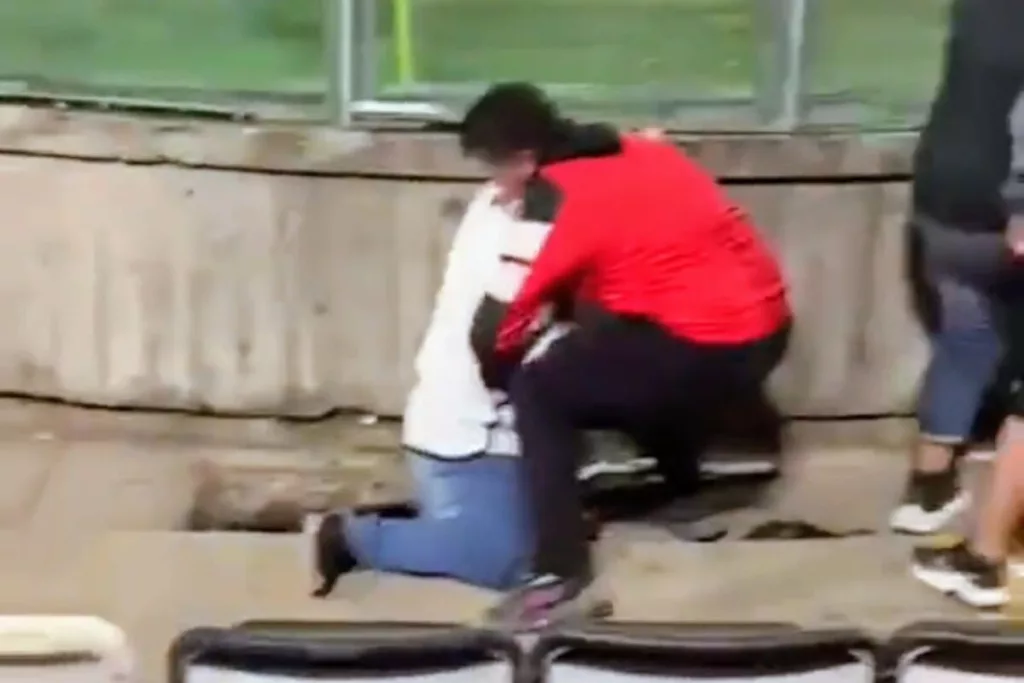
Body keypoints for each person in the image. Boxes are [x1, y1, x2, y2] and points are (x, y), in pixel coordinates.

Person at [460, 83, 791, 627]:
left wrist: (499, 383)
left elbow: (495, 325)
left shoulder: (552, 198)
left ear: (523, 158)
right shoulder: (644, 149)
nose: (496, 188)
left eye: (495, 172)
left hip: (705, 348)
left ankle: (560, 577)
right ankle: (685, 487)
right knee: (613, 334)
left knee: (541, 389)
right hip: (768, 329)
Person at [311, 181, 571, 596]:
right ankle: (357, 539)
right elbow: (495, 346)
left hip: (494, 427)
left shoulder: (512, 206)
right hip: (472, 436)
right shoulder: (525, 232)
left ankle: (438, 518)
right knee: (508, 558)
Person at [891, 0, 1024, 536]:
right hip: (1003, 204)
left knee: (965, 340)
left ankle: (928, 491)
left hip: (940, 193)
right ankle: (996, 534)